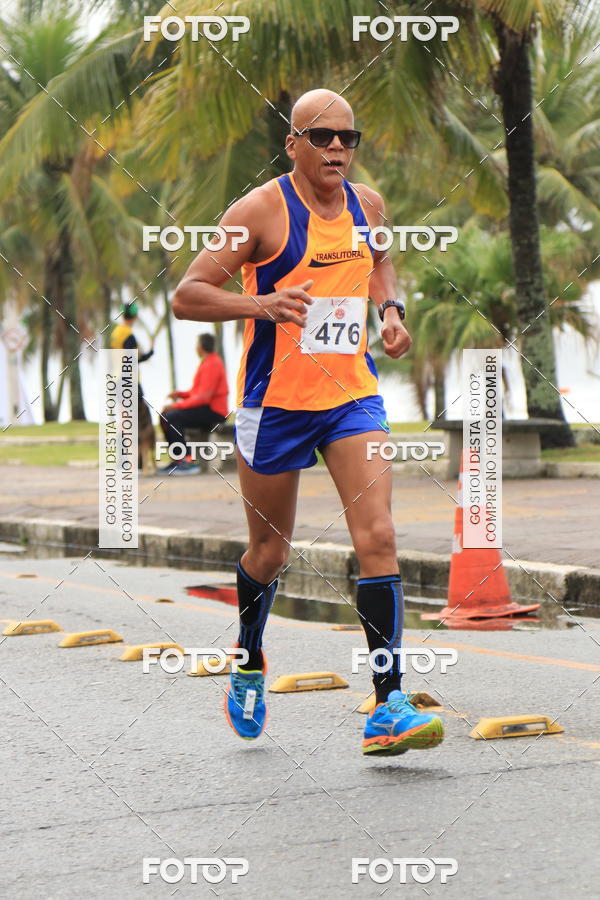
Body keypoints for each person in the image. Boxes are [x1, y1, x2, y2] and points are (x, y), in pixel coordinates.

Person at [172, 89, 444, 756]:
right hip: (276, 405)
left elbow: (380, 260)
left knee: (379, 535)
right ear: (293, 143)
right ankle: (249, 656)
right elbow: (187, 295)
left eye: (348, 137)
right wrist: (262, 304)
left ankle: (388, 706)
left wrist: (391, 312)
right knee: (270, 552)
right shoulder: (258, 212)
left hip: (352, 397)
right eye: (322, 136)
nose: (337, 148)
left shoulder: (367, 205)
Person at [159, 333, 228, 474]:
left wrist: (176, 405)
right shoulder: (207, 362)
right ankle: (178, 460)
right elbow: (197, 392)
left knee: (171, 417)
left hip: (214, 411)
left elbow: (203, 398)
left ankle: (187, 461)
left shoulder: (213, 363)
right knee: (165, 416)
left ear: (200, 347)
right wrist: (180, 394)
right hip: (206, 408)